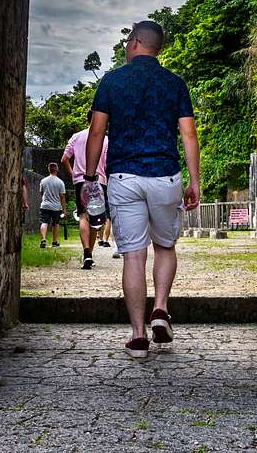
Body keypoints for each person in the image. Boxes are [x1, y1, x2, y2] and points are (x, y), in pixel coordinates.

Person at [82, 20, 200, 358]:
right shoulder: (174, 84)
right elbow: (188, 136)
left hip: (124, 178)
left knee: (133, 255)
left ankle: (137, 336)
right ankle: (160, 308)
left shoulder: (112, 81)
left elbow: (96, 132)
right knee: (165, 246)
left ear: (134, 43)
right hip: (165, 177)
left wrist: (91, 178)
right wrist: (194, 181)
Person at [61, 110, 111, 269]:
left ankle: (86, 253)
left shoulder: (76, 136)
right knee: (95, 219)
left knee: (83, 215)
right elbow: (109, 163)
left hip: (80, 180)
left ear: (86, 120)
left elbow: (64, 159)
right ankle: (90, 254)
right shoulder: (106, 139)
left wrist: (73, 174)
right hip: (99, 180)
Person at [38, 162, 67, 249]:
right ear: (57, 170)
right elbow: (62, 197)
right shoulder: (60, 182)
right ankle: (54, 241)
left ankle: (43, 239)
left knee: (44, 222)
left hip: (45, 205)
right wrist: (64, 209)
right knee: (55, 223)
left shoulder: (43, 181)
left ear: (49, 170)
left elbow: (41, 193)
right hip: (56, 207)